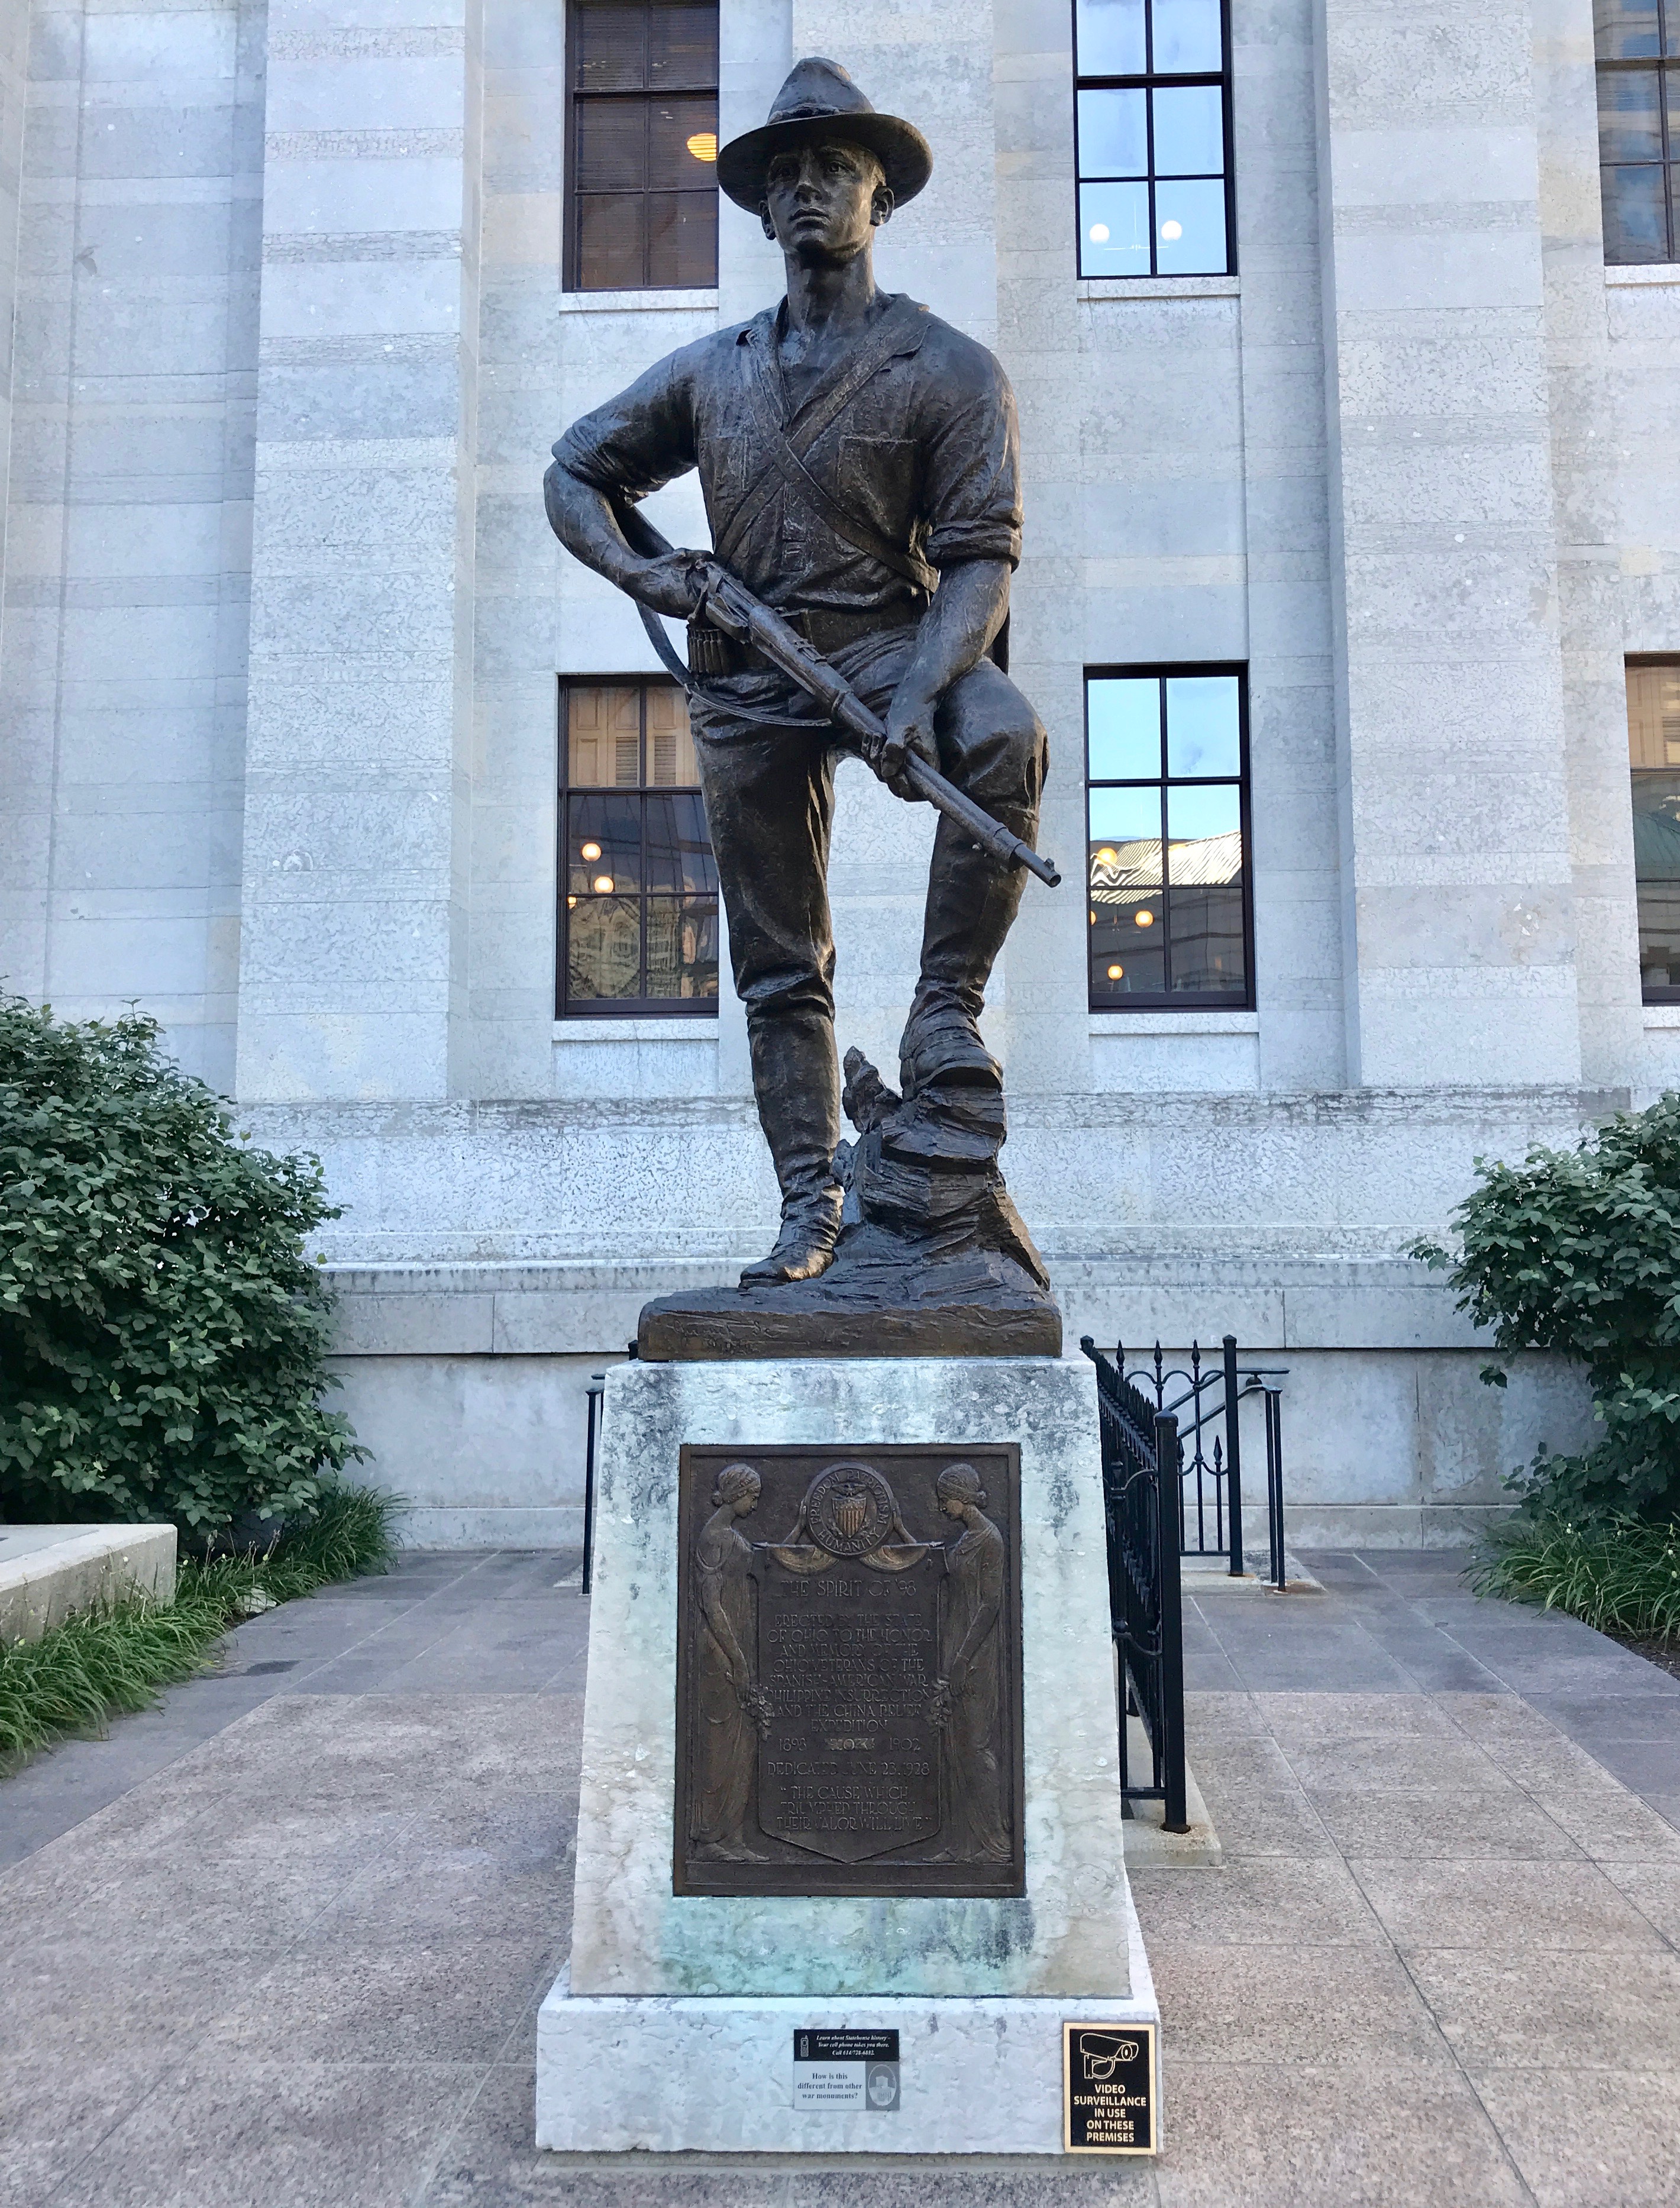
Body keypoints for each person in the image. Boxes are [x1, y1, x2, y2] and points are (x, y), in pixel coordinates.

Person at [545, 57, 1049, 1287]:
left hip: (889, 641)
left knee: (1002, 734)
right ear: (765, 208)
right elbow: (574, 473)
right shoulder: (710, 372)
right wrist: (660, 580)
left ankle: (945, 1007)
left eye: (836, 169)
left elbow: (980, 561)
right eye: (788, 175)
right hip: (746, 668)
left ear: (882, 195)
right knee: (780, 963)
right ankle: (809, 1202)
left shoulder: (950, 369)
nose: (810, 189)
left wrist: (915, 698)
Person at [930, 1461, 1010, 1862]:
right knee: (954, 1747)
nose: (941, 1507)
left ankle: (993, 1842)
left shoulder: (990, 1540)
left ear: (961, 1498)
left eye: (945, 1499)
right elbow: (938, 1569)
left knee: (976, 1748)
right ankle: (961, 1844)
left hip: (976, 1655)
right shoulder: (965, 1540)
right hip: (954, 1649)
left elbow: (990, 1605)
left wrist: (963, 1659)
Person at [690, 1461, 770, 1860]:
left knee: (743, 1741)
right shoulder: (713, 1538)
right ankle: (710, 1839)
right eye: (752, 1497)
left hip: (739, 1641)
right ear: (737, 1493)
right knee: (720, 1744)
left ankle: (734, 1836)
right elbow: (711, 1604)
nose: (755, 1505)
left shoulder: (731, 1535)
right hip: (720, 1648)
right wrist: (736, 1659)